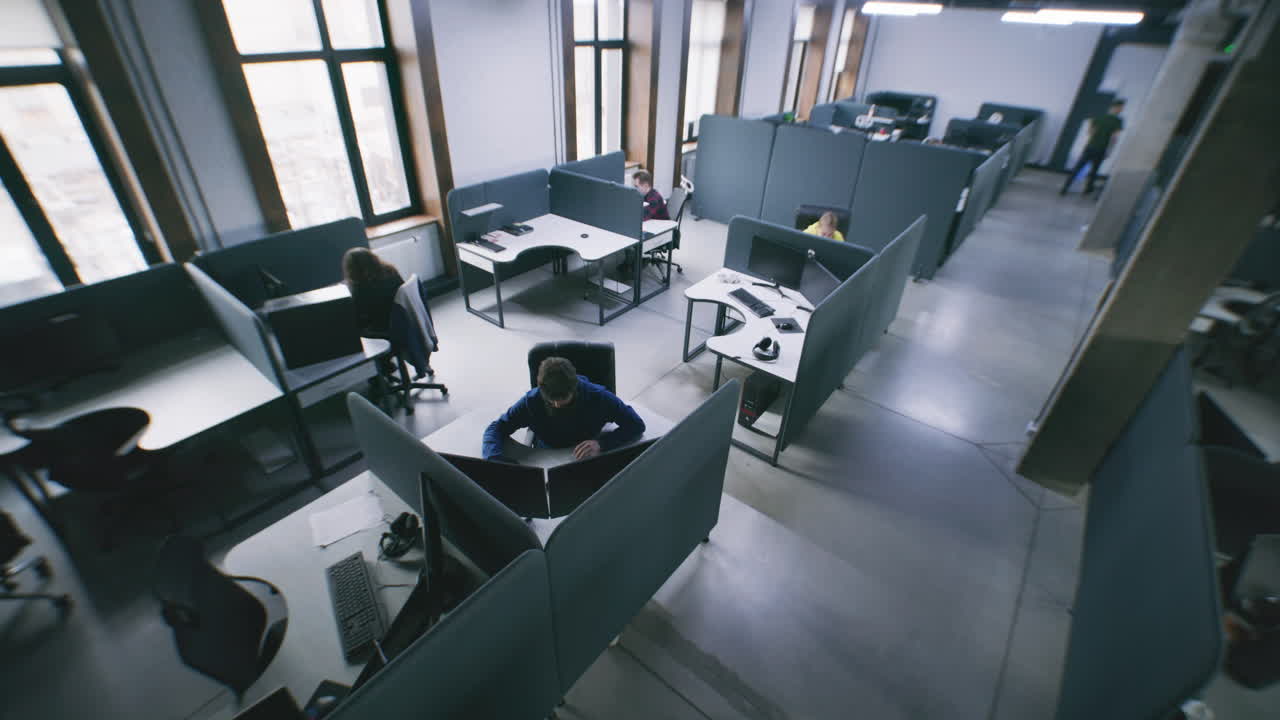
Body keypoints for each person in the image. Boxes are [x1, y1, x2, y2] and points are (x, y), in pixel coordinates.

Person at [482, 356, 645, 462]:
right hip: (546, 458)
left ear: (574, 388)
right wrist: (495, 459)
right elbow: (495, 428)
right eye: (551, 400)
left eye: (563, 399)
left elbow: (636, 425)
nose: (557, 405)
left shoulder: (599, 397)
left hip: (586, 458)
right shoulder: (531, 401)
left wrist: (602, 444)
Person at [1061, 100, 1125, 196]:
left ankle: (1065, 187)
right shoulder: (1118, 121)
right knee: (1094, 170)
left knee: (1078, 167)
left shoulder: (1098, 117)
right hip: (1102, 148)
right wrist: (1110, 150)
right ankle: (1087, 189)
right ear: (1117, 107)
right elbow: (1114, 137)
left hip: (1090, 146)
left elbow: (1090, 132)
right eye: (1121, 108)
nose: (1121, 110)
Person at [342, 247, 403, 335]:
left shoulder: (361, 290)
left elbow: (359, 319)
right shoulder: (391, 271)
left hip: (381, 329)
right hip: (400, 321)